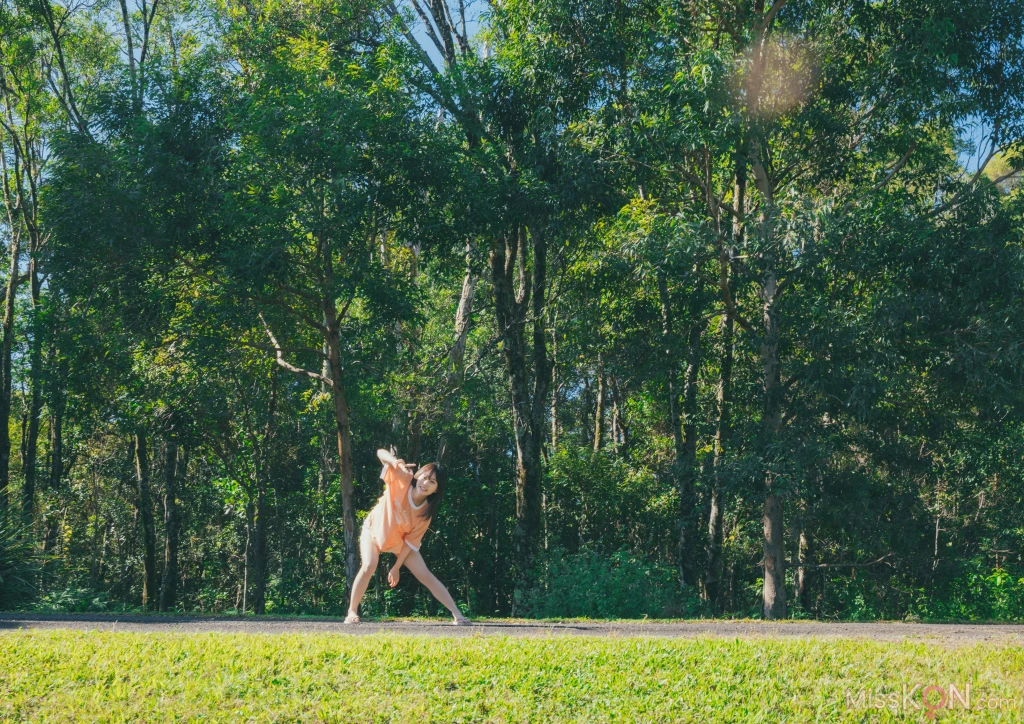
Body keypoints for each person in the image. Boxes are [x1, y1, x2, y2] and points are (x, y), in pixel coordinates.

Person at [345, 447, 470, 625]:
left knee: (425, 575)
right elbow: (380, 452)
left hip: (398, 541)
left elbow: (410, 543)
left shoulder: (425, 514)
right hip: (373, 529)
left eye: (432, 482)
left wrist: (396, 567)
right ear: (418, 475)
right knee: (369, 565)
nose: (425, 483)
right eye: (425, 477)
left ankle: (458, 615)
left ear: (436, 489)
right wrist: (393, 461)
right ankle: (352, 612)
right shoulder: (402, 479)